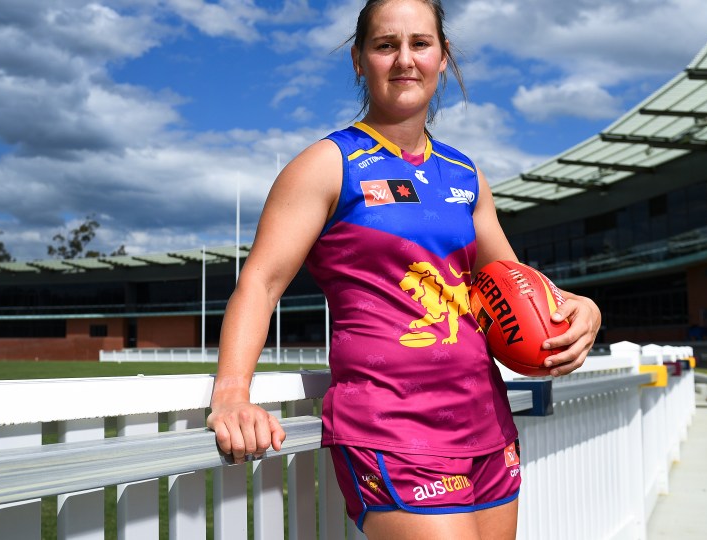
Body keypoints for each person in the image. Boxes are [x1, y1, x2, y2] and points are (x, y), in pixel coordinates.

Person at [206, 0, 602, 537]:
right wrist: (232, 394)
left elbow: (513, 282)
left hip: (486, 423)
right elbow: (261, 281)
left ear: (443, 58)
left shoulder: (465, 174)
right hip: (390, 428)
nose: (404, 60)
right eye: (385, 45)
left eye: (420, 44)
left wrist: (582, 309)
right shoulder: (327, 165)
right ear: (358, 60)